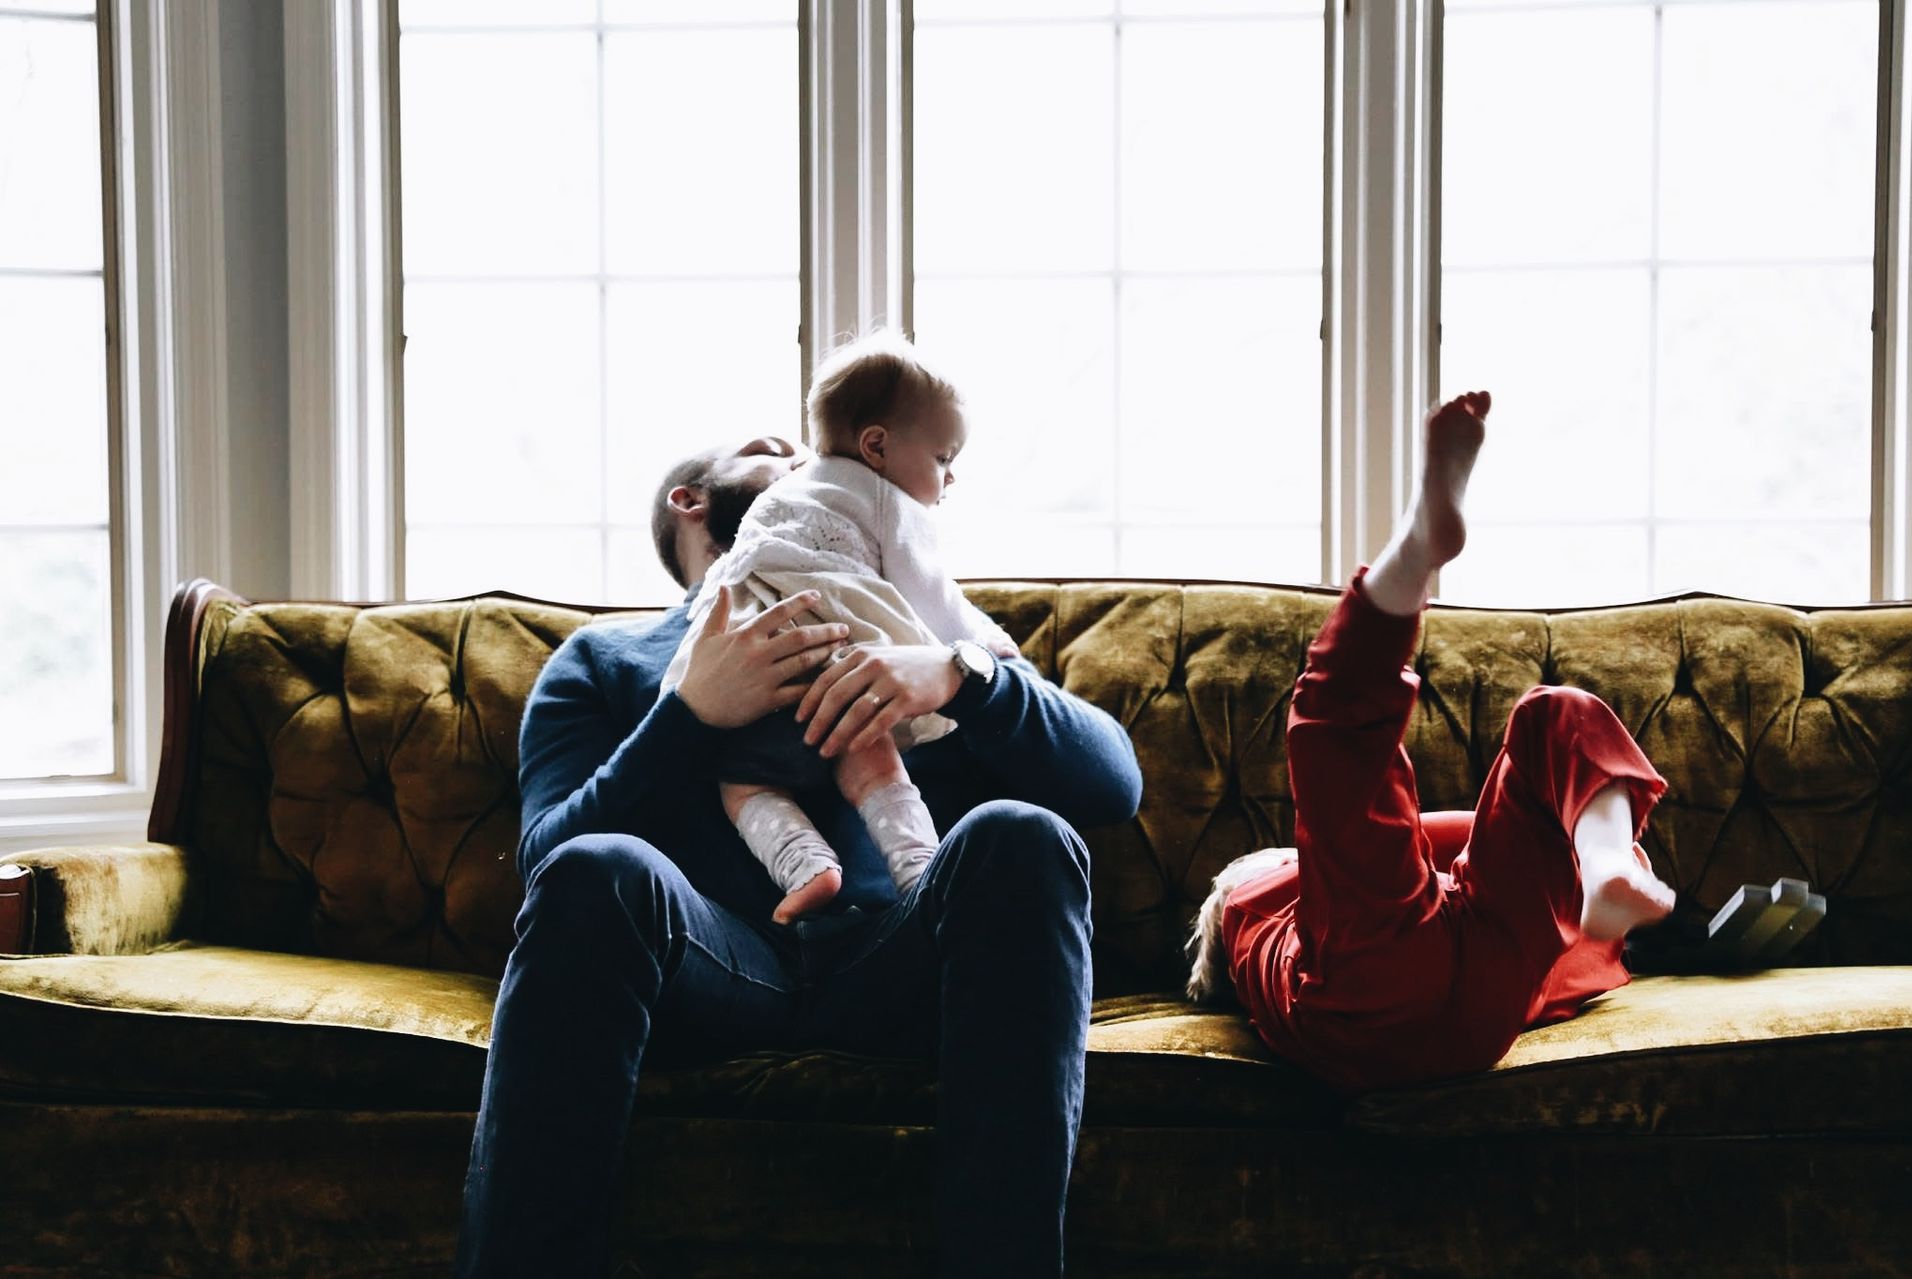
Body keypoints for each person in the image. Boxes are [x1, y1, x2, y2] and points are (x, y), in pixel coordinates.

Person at [455, 435, 1142, 1276]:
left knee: (1023, 834)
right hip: (711, 966)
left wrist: (961, 678)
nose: (808, 459)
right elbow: (549, 867)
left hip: (902, 956)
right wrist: (689, 713)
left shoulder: (914, 625)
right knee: (598, 865)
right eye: (773, 450)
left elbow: (1114, 783)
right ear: (691, 501)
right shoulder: (602, 660)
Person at [1185, 392, 1678, 1091]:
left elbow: (1420, 844)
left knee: (1542, 714)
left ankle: (1603, 865)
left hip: (1464, 1003)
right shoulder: (1246, 902)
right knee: (1340, 730)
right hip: (1383, 995)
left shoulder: (1298, 947)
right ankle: (1415, 551)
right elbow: (1428, 832)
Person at [660, 332, 1021, 925]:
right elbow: (929, 587)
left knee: (744, 788)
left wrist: (967, 677)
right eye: (943, 459)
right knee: (872, 760)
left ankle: (804, 867)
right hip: (832, 679)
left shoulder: (777, 514)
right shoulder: (883, 501)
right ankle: (920, 871)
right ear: (875, 446)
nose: (802, 461)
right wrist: (979, 644)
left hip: (760, 719)